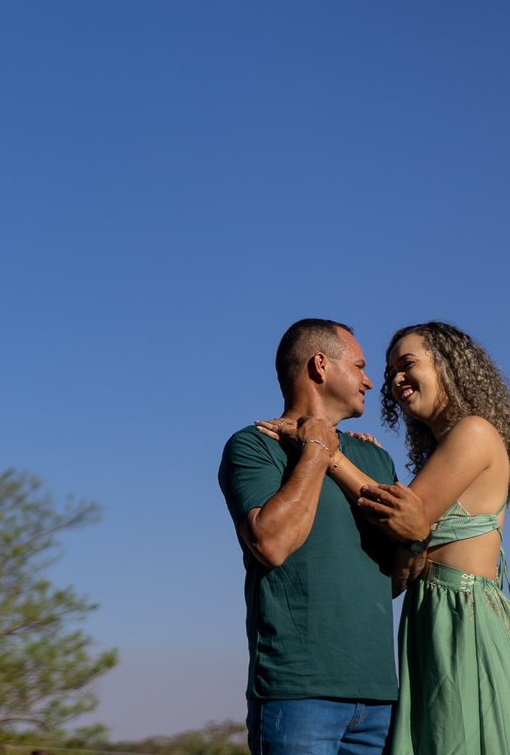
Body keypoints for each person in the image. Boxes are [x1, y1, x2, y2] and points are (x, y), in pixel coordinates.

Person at [260, 321, 510, 755]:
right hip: (431, 618)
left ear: (449, 365)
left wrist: (326, 449)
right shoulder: (440, 451)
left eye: (406, 365)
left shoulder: (475, 431)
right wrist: (345, 447)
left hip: (465, 621)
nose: (393, 380)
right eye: (389, 374)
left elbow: (409, 517)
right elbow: (404, 536)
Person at [218, 319, 404, 755]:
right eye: (358, 366)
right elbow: (272, 544)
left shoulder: (375, 458)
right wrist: (318, 448)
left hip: (382, 698)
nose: (370, 380)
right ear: (320, 365)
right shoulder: (254, 445)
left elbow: (399, 572)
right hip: (296, 694)